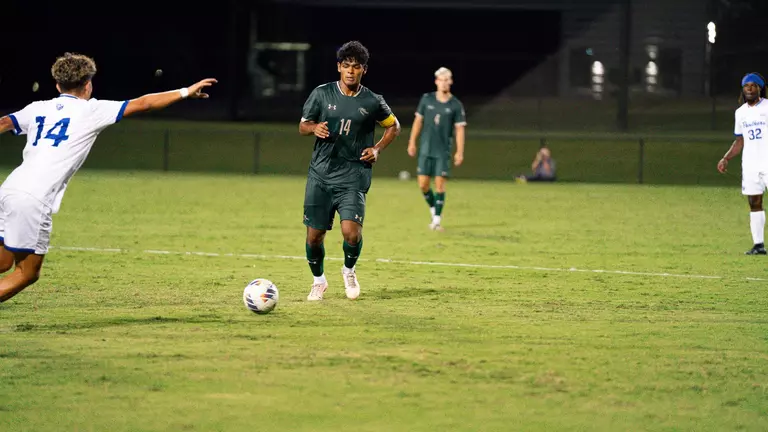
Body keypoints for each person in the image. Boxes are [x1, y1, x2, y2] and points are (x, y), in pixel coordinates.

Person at [0, 52, 217, 302]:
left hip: (9, 189)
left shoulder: (38, 108)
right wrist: (185, 92)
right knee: (27, 273)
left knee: (4, 261)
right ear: (88, 84)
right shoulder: (92, 110)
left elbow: (5, 122)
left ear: (57, 84)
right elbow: (143, 103)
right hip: (32, 199)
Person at [299, 41, 401, 301]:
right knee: (314, 237)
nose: (350, 72)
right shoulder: (321, 94)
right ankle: (319, 281)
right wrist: (314, 129)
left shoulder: (373, 101)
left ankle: (349, 270)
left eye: (356, 67)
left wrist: (377, 149)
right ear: (338, 68)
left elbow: (394, 126)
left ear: (363, 70)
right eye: (346, 66)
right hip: (320, 175)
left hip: (353, 176)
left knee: (351, 233)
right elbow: (303, 125)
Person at [407, 67, 467, 231]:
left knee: (440, 185)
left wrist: (459, 151)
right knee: (423, 185)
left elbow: (460, 130)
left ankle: (437, 220)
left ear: (451, 82)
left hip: (442, 151)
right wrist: (412, 142)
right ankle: (434, 210)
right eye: (441, 79)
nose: (444, 82)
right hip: (426, 149)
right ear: (436, 81)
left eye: (447, 79)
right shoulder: (427, 99)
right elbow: (418, 122)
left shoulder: (455, 105)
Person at [717, 72, 768, 255]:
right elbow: (740, 141)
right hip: (751, 165)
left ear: (760, 88)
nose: (750, 89)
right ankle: (758, 245)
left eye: (754, 85)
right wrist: (726, 158)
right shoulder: (740, 113)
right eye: (747, 86)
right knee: (754, 202)